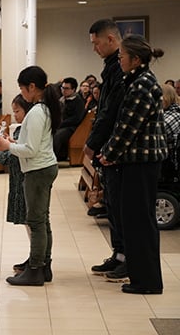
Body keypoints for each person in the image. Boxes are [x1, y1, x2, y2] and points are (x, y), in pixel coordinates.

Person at [98, 34, 167, 294]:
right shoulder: (138, 80)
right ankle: (141, 277)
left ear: (135, 59)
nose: (119, 60)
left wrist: (109, 153)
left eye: (122, 56)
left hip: (141, 162)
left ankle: (146, 281)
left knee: (139, 222)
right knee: (135, 220)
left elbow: (128, 127)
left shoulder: (142, 85)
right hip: (137, 161)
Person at [0, 65, 61, 286]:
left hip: (38, 170)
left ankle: (36, 270)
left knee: (36, 222)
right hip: (42, 167)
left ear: (31, 87)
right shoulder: (43, 109)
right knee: (42, 220)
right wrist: (11, 144)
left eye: (22, 87)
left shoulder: (38, 112)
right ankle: (43, 266)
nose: (22, 92)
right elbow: (32, 146)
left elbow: (31, 150)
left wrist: (7, 146)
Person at [83, 19, 127, 282]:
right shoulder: (111, 67)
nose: (94, 48)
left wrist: (93, 142)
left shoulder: (119, 69)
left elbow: (111, 112)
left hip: (116, 149)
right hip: (107, 146)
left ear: (110, 40)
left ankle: (125, 256)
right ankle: (118, 253)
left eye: (96, 43)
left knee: (121, 206)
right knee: (112, 203)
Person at [0, 94, 33, 270]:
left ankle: (37, 259)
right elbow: (14, 151)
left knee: (33, 222)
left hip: (28, 178)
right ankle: (34, 256)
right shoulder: (21, 128)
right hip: (19, 179)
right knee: (27, 221)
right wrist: (7, 145)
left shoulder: (31, 127)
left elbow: (20, 154)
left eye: (18, 111)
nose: (15, 115)